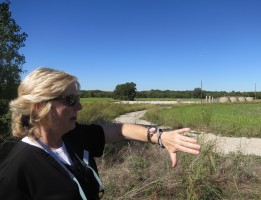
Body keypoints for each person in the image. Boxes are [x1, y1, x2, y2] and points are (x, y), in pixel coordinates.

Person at [0, 67, 200, 200]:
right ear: (39, 107)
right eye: (70, 100)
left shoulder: (72, 135)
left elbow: (120, 131)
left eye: (78, 98)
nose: (79, 106)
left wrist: (160, 137)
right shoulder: (16, 170)